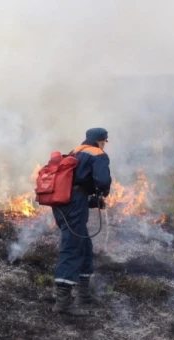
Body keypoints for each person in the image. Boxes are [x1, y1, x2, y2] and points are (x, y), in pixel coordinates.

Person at [51, 127, 112, 316]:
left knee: (84, 244)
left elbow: (75, 183)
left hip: (63, 203)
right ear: (101, 141)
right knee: (71, 247)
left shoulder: (75, 151)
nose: (104, 145)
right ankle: (63, 302)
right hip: (74, 204)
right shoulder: (98, 154)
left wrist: (89, 199)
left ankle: (84, 295)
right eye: (105, 142)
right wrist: (102, 194)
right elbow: (102, 181)